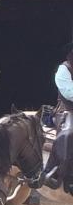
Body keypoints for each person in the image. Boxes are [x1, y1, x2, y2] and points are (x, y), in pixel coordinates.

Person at [44, 42, 73, 191]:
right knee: (69, 133)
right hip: (67, 111)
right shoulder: (64, 69)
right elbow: (68, 92)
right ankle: (54, 173)